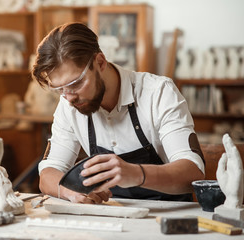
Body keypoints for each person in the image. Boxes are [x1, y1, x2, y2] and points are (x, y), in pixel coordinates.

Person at [31, 23, 205, 204]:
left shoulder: (158, 93)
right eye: (59, 88)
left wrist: (137, 174)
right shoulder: (68, 104)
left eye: (76, 84)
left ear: (100, 62)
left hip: (169, 216)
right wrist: (72, 193)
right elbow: (48, 173)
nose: (68, 97)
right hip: (109, 214)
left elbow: (193, 172)